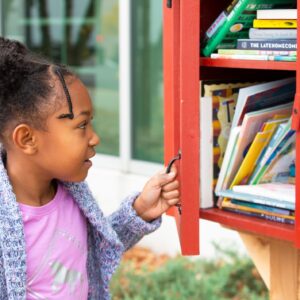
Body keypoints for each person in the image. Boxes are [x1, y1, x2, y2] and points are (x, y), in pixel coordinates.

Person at [0, 37, 180, 300]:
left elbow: (90, 251)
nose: (95, 138)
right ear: (27, 139)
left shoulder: (71, 193)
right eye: (82, 125)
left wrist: (140, 211)